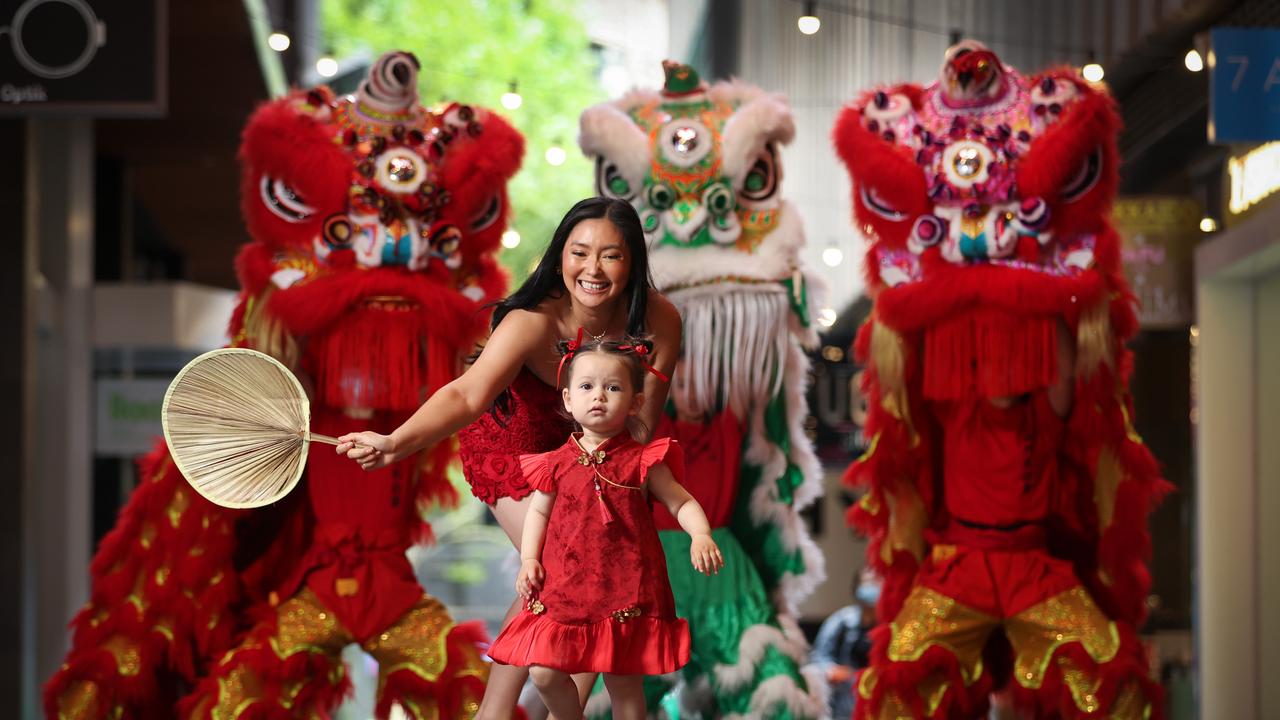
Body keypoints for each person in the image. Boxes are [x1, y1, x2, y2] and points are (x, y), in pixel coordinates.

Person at [337, 197, 682, 719]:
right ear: (559, 256)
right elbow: (466, 395)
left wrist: (609, 487)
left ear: (632, 262)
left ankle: (553, 712)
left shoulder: (659, 320)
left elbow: (639, 423)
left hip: (594, 442)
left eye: (610, 256)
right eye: (579, 252)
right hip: (513, 440)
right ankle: (495, 714)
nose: (592, 269)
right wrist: (394, 442)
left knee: (606, 568)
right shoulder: (532, 321)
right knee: (560, 559)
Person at [486, 338, 724, 720]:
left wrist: (700, 534)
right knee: (544, 673)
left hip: (626, 587)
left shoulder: (642, 460)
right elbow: (539, 514)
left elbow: (681, 501)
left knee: (624, 687)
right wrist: (529, 558)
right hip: (565, 586)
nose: (598, 396)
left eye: (612, 388)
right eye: (586, 386)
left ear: (634, 402)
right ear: (567, 399)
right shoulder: (555, 463)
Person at [810, 566, 881, 720]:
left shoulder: (889, 625)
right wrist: (831, 670)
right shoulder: (842, 621)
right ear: (857, 588)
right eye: (867, 583)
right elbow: (819, 656)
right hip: (845, 702)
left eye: (876, 583)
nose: (872, 588)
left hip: (878, 702)